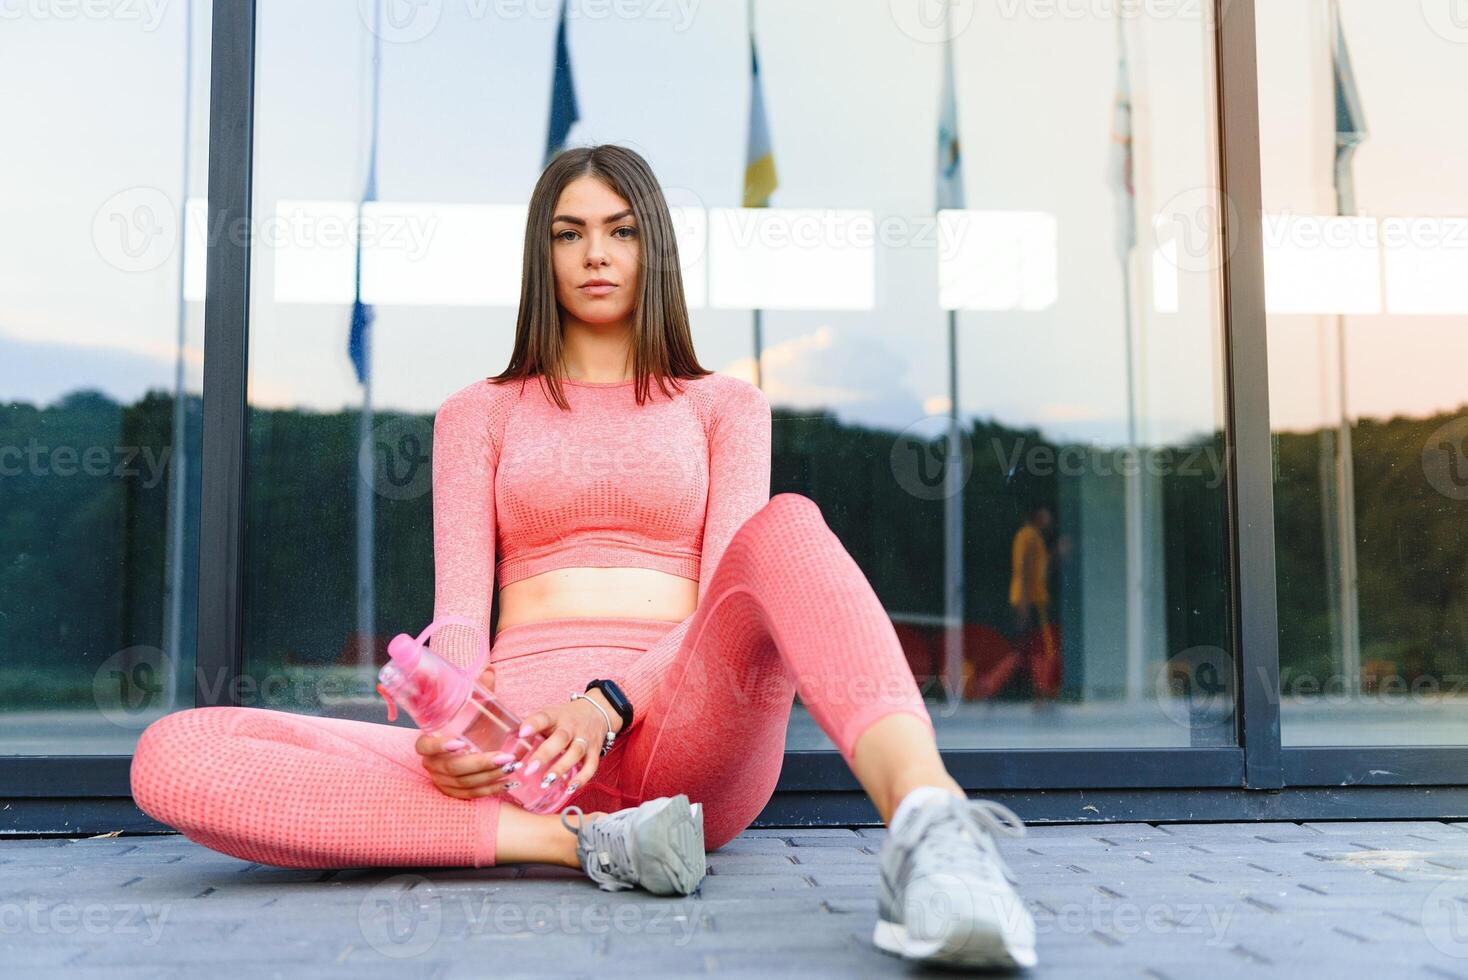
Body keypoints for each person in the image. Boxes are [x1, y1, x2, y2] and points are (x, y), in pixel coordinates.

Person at [129, 145, 1037, 970]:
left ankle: (932, 829)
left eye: (620, 231)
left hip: (685, 729)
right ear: (544, 254)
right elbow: (459, 615)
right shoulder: (478, 412)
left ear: (654, 251)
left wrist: (610, 702)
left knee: (787, 526)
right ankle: (593, 847)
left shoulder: (722, 407)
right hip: (517, 760)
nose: (596, 255)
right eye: (569, 234)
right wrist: (448, 728)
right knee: (177, 751)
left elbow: (732, 591)